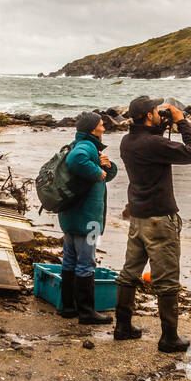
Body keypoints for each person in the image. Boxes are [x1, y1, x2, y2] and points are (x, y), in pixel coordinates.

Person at [114, 96, 191, 349]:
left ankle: (122, 326)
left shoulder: (127, 141)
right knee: (167, 280)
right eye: (155, 110)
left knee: (130, 272)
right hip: (160, 219)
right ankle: (169, 336)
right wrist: (182, 122)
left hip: (138, 217)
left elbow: (151, 144)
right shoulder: (154, 143)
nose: (158, 112)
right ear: (149, 115)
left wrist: (161, 126)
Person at [58, 111, 117, 325]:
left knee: (70, 260)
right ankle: (86, 312)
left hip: (72, 217)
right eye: (101, 124)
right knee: (87, 263)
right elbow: (78, 161)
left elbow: (104, 176)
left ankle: (67, 307)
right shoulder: (86, 147)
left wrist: (107, 167)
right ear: (93, 129)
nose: (104, 127)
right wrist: (96, 172)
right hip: (89, 220)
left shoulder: (80, 144)